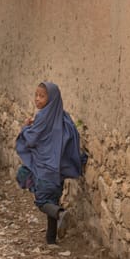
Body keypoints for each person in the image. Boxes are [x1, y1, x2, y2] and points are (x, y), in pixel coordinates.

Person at [15, 82, 86, 245]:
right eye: (36, 95)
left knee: (42, 201)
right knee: (52, 199)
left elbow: (31, 139)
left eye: (42, 96)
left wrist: (26, 127)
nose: (37, 99)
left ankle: (61, 214)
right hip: (58, 170)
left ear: (52, 98)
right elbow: (71, 137)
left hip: (44, 168)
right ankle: (51, 239)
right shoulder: (64, 117)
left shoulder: (41, 118)